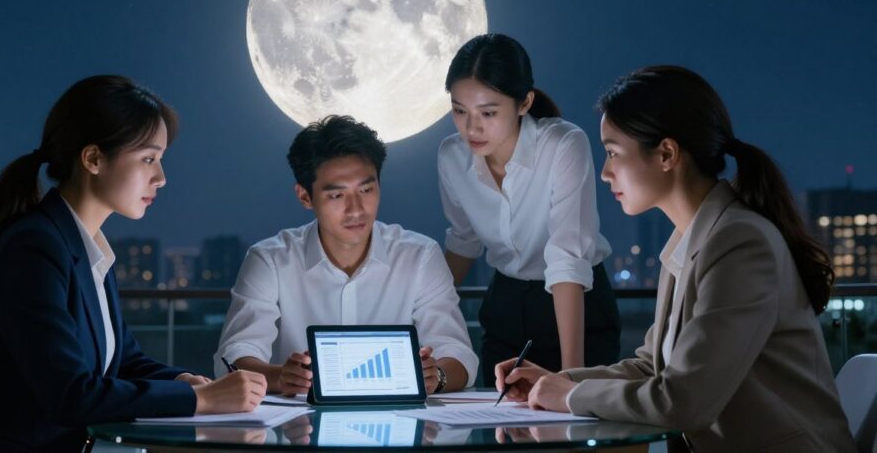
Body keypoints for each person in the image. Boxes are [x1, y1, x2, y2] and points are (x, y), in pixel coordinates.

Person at [495, 65, 855, 452]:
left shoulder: (740, 243)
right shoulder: (691, 238)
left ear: (666, 153)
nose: (605, 173)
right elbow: (650, 367)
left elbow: (684, 401)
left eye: (614, 153)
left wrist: (567, 396)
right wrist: (560, 380)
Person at [0, 76, 265, 453]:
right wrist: (202, 401)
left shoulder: (85, 248)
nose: (161, 178)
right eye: (148, 159)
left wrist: (186, 381)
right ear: (93, 159)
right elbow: (72, 395)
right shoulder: (34, 249)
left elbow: (123, 360)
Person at [214, 115, 478, 394]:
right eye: (337, 196)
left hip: (400, 426)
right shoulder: (271, 260)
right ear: (305, 197)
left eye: (366, 189)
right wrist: (279, 377)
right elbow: (233, 356)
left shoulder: (419, 256)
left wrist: (436, 375)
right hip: (298, 429)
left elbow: (458, 352)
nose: (356, 209)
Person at [438, 33, 620, 383]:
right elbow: (463, 242)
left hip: (576, 305)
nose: (471, 128)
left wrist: (569, 380)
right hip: (505, 304)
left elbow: (567, 260)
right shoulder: (451, 156)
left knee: (574, 429)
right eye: (459, 111)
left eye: (488, 112)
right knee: (500, 427)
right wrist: (416, 319)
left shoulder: (564, 144)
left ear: (524, 103)